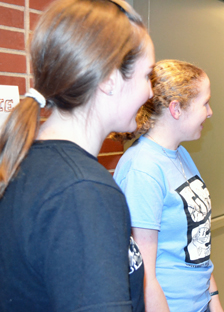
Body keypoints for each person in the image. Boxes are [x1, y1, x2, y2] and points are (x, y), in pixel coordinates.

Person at [0, 0, 155, 311]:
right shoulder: (84, 191)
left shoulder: (28, 160)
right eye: (146, 76)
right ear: (110, 80)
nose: (150, 92)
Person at [113, 59, 223, 312]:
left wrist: (213, 299)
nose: (210, 112)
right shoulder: (143, 169)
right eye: (204, 103)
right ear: (176, 109)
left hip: (200, 302)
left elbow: (198, 242)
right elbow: (145, 275)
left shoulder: (180, 153)